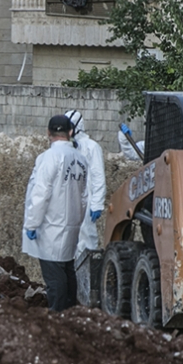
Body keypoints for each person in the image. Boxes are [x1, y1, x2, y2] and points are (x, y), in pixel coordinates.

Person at [23, 115, 89, 312]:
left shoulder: (49, 157)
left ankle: (58, 315)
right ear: (70, 133)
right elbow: (85, 196)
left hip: (51, 224)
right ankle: (71, 311)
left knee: (54, 275)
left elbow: (40, 193)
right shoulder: (81, 159)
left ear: (48, 133)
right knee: (68, 269)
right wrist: (79, 218)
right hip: (72, 224)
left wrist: (32, 223)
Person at [64, 110, 106, 258]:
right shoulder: (66, 148)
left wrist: (97, 204)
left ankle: (87, 277)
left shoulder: (91, 147)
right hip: (69, 201)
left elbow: (98, 176)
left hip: (86, 202)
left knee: (87, 240)